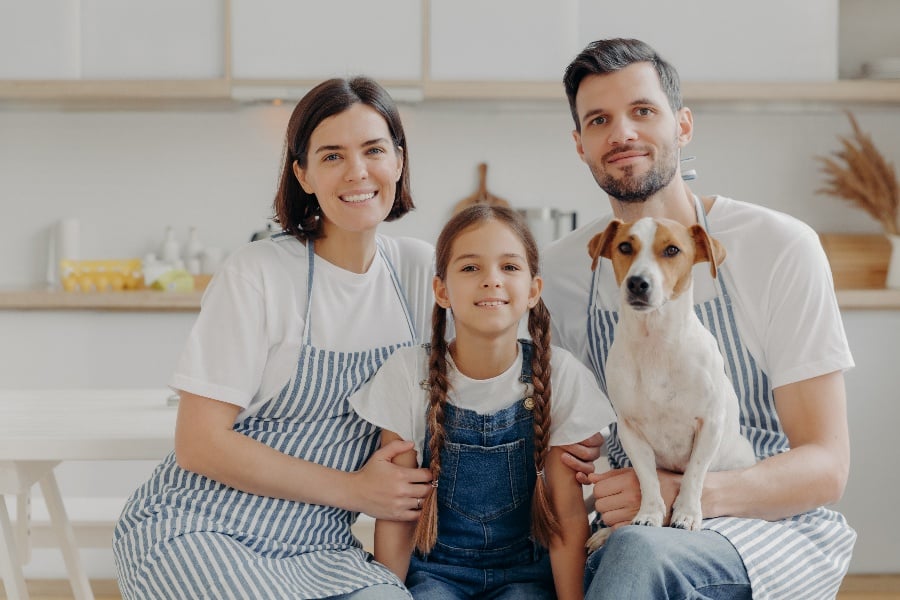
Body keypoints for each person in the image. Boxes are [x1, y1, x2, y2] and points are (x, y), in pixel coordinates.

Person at [541, 38, 857, 600]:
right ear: (579, 145)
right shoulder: (564, 271)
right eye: (599, 120)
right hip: (628, 524)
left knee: (638, 556)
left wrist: (681, 494)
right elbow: (566, 441)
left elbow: (826, 469)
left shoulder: (778, 247)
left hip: (770, 525)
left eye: (643, 111)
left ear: (683, 126)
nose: (622, 134)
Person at [113, 76, 437, 599]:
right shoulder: (258, 272)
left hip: (320, 548)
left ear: (399, 160)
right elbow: (199, 444)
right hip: (199, 530)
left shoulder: (420, 273)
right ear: (302, 174)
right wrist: (356, 491)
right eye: (332, 156)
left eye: (374, 150)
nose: (357, 171)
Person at [350, 205, 614, 600]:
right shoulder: (407, 373)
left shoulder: (560, 374)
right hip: (435, 573)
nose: (492, 280)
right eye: (471, 268)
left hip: (527, 575)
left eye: (509, 267)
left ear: (533, 290)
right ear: (442, 290)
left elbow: (567, 516)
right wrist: (392, 591)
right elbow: (396, 510)